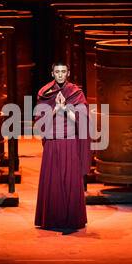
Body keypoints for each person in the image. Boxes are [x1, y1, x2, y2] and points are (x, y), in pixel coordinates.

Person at [34, 62, 92, 230]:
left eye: (63, 72)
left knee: (70, 180)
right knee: (52, 181)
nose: (60, 75)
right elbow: (40, 122)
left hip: (70, 141)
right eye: (57, 72)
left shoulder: (75, 93)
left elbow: (83, 121)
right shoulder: (45, 93)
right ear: (52, 73)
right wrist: (55, 108)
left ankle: (72, 219)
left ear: (68, 73)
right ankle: (51, 219)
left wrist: (65, 108)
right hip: (53, 141)